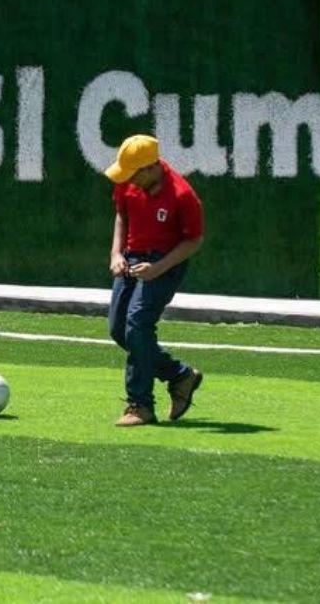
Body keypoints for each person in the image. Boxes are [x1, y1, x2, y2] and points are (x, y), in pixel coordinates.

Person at [104, 134, 204, 427]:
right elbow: (121, 215)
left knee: (137, 326)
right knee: (119, 331)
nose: (128, 181)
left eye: (133, 174)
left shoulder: (183, 195)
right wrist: (116, 254)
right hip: (131, 258)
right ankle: (180, 375)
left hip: (165, 263)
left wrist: (159, 267)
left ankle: (141, 406)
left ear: (150, 169)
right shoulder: (128, 184)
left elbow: (193, 241)